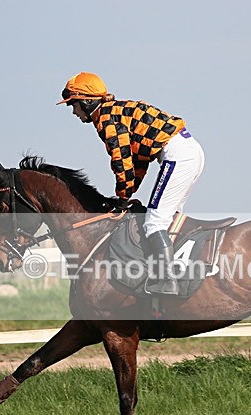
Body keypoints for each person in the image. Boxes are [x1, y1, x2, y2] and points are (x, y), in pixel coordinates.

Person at [57, 72, 205, 296]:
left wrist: (122, 195)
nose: (74, 112)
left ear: (87, 102)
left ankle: (167, 280)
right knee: (168, 218)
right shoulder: (114, 112)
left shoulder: (107, 119)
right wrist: (127, 193)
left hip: (177, 154)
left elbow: (122, 160)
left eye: (73, 105)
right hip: (187, 151)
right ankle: (179, 270)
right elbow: (139, 162)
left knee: (155, 221)